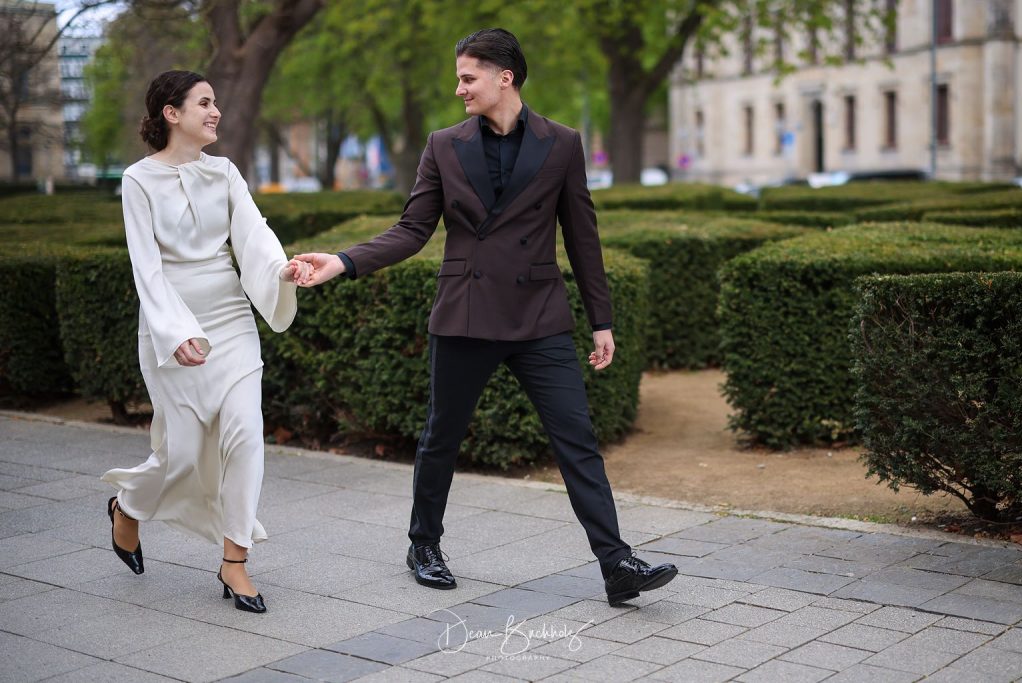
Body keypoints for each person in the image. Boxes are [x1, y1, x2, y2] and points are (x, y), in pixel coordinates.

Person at [293, 29, 677, 606]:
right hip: (466, 314)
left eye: (468, 78)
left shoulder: (562, 143)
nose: (460, 89)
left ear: (505, 77)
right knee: (441, 437)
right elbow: (412, 230)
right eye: (459, 78)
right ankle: (424, 545)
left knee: (577, 440)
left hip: (539, 316)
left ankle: (616, 562)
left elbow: (583, 236)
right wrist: (343, 262)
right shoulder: (444, 145)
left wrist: (602, 320)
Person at [102, 70, 313, 613]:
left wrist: (281, 270)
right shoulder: (137, 180)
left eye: (215, 101)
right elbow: (146, 268)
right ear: (172, 113)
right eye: (204, 102)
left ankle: (235, 561)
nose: (215, 111)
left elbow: (254, 233)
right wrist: (175, 333)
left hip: (231, 321)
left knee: (245, 437)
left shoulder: (224, 172)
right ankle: (128, 507)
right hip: (172, 327)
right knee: (181, 453)